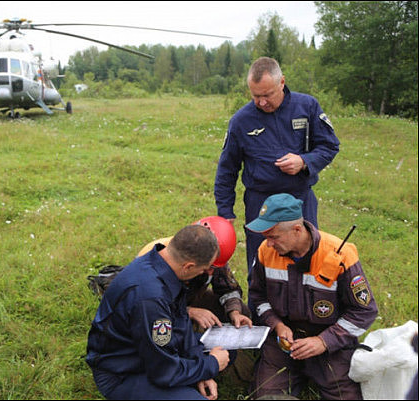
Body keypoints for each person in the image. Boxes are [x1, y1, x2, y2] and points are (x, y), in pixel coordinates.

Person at [213, 57, 340, 298]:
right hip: (260, 203)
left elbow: (329, 146)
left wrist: (304, 162)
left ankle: (307, 311)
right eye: (255, 96)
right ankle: (262, 317)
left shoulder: (307, 107)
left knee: (306, 256)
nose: (262, 102)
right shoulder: (241, 120)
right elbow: (227, 169)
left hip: (299, 199)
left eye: (267, 95)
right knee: (262, 260)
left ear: (282, 82)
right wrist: (225, 211)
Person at [246, 193, 378, 399]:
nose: (268, 244)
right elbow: (258, 296)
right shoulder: (266, 251)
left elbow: (364, 312)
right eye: (266, 237)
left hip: (329, 342)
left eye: (273, 236)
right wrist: (277, 325)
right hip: (283, 341)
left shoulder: (340, 254)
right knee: (264, 396)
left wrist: (323, 342)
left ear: (297, 230)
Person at [86, 224, 231, 400]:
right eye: (203, 269)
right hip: (123, 373)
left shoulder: (162, 262)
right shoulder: (151, 299)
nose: (204, 273)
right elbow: (163, 371)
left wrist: (203, 370)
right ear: (188, 266)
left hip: (149, 355)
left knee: (226, 349)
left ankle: (191, 381)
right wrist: (210, 365)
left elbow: (181, 325)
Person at [137, 216, 252, 331]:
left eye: (213, 266)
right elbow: (151, 308)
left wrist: (234, 312)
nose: (210, 271)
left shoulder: (213, 255)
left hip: (188, 299)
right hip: (160, 308)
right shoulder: (159, 259)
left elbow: (228, 289)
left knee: (242, 310)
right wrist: (188, 312)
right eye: (208, 266)